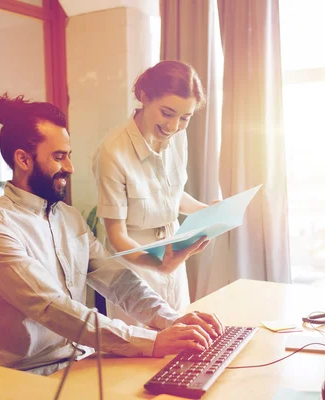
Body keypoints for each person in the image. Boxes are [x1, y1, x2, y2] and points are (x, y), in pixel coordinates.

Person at [0, 93, 224, 376]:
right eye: (58, 157)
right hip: (24, 377)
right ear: (23, 159)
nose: (70, 167)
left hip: (77, 363)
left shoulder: (68, 218)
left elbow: (118, 280)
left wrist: (172, 319)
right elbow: (53, 308)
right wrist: (152, 341)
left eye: (68, 155)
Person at [92, 60, 216, 326]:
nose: (173, 126)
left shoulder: (177, 139)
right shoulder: (112, 152)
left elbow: (172, 197)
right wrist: (157, 264)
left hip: (172, 261)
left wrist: (207, 212)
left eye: (185, 117)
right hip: (136, 268)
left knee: (185, 338)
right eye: (167, 113)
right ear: (144, 97)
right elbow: (117, 236)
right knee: (144, 354)